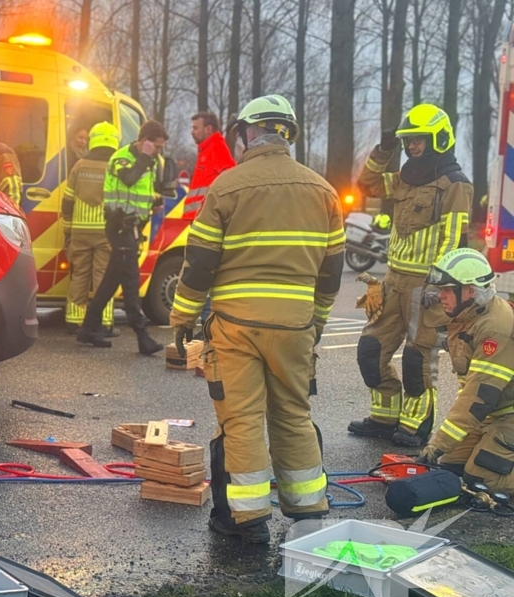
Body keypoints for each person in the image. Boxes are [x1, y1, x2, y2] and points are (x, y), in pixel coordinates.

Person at [169, 95, 344, 543]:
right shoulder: (323, 192)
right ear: (289, 134)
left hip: (235, 326)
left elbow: (200, 264)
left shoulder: (227, 187)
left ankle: (245, 524)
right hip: (295, 328)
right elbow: (331, 274)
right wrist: (315, 323)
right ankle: (307, 517)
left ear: (246, 133)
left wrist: (183, 316)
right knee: (293, 415)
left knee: (242, 420)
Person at [348, 103, 473, 448]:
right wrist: (383, 149)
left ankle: (415, 427)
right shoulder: (404, 177)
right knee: (371, 349)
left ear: (438, 139)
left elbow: (452, 238)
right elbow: (367, 184)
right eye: (409, 141)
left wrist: (442, 286)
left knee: (417, 359)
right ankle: (384, 419)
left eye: (419, 140)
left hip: (427, 284)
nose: (413, 147)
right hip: (393, 280)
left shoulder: (454, 184)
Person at [416, 250, 514, 498]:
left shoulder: (494, 328)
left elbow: (478, 398)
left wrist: (437, 444)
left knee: (482, 477)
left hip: (507, 416)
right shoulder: (467, 315)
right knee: (450, 466)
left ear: (470, 291)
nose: (441, 296)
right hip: (490, 417)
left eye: (448, 290)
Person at [76, 120, 167, 355]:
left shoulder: (151, 162)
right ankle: (142, 335)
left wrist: (152, 203)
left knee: (110, 282)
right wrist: (146, 158)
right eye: (156, 147)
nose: (158, 152)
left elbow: (139, 192)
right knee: (130, 282)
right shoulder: (122, 157)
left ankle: (88, 329)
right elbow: (128, 178)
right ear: (145, 141)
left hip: (131, 228)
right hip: (118, 227)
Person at [182, 111, 237, 336]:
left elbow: (227, 180)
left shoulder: (216, 148)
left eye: (196, 127)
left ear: (208, 129)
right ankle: (205, 326)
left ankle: (207, 326)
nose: (192, 131)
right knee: (205, 274)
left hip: (208, 224)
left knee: (206, 274)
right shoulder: (207, 149)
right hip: (202, 223)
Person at [64, 122, 118, 335]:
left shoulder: (79, 165)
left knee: (80, 275)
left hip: (80, 230)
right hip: (105, 231)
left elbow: (67, 202)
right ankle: (103, 323)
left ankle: (73, 320)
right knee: (103, 277)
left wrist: (68, 231)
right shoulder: (115, 167)